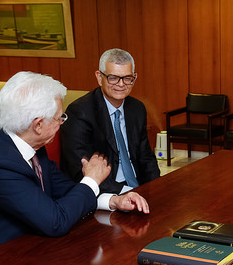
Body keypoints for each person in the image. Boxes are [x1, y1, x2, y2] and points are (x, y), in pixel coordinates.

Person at [0, 71, 150, 265]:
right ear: (38, 125)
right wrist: (91, 180)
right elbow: (55, 222)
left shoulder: (27, 141)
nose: (62, 122)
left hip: (23, 249)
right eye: (60, 117)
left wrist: (113, 200)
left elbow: (62, 188)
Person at [61, 48, 160, 204]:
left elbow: (146, 157)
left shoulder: (137, 108)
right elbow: (81, 169)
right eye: (113, 78)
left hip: (137, 187)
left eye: (127, 78)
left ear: (134, 78)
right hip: (105, 192)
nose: (121, 84)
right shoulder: (80, 112)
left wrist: (156, 187)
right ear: (99, 77)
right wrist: (124, 193)